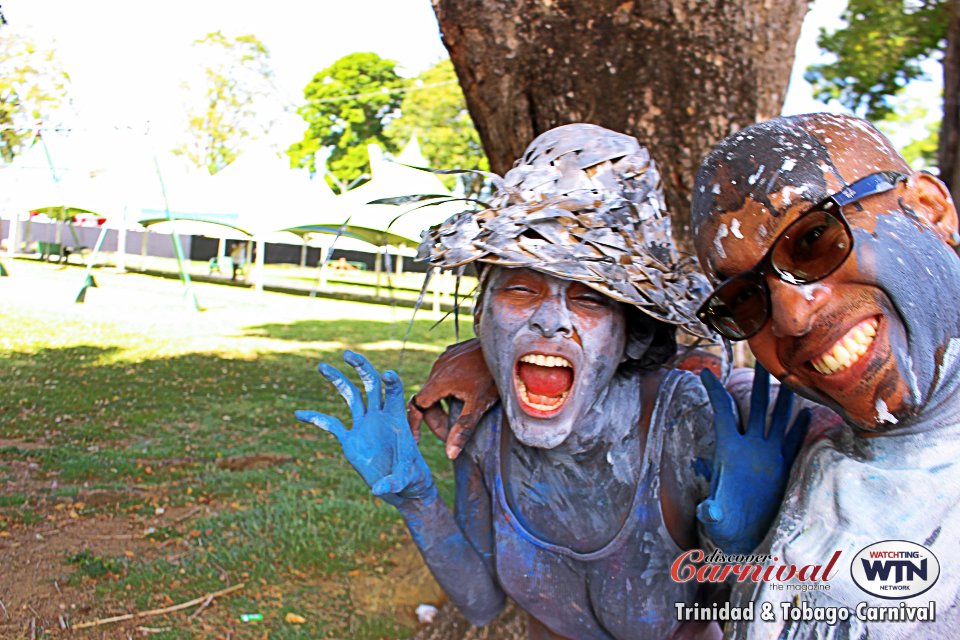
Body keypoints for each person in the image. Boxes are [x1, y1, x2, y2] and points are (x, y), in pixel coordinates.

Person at [297, 125, 808, 639]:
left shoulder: (693, 425)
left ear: (630, 335)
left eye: (589, 299)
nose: (552, 320)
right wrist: (415, 498)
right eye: (520, 290)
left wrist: (741, 554)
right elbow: (481, 601)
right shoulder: (483, 430)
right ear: (482, 319)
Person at [690, 112, 960, 638]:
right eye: (745, 298)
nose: (791, 315)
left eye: (812, 238)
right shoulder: (813, 449)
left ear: (929, 209)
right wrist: (738, 557)